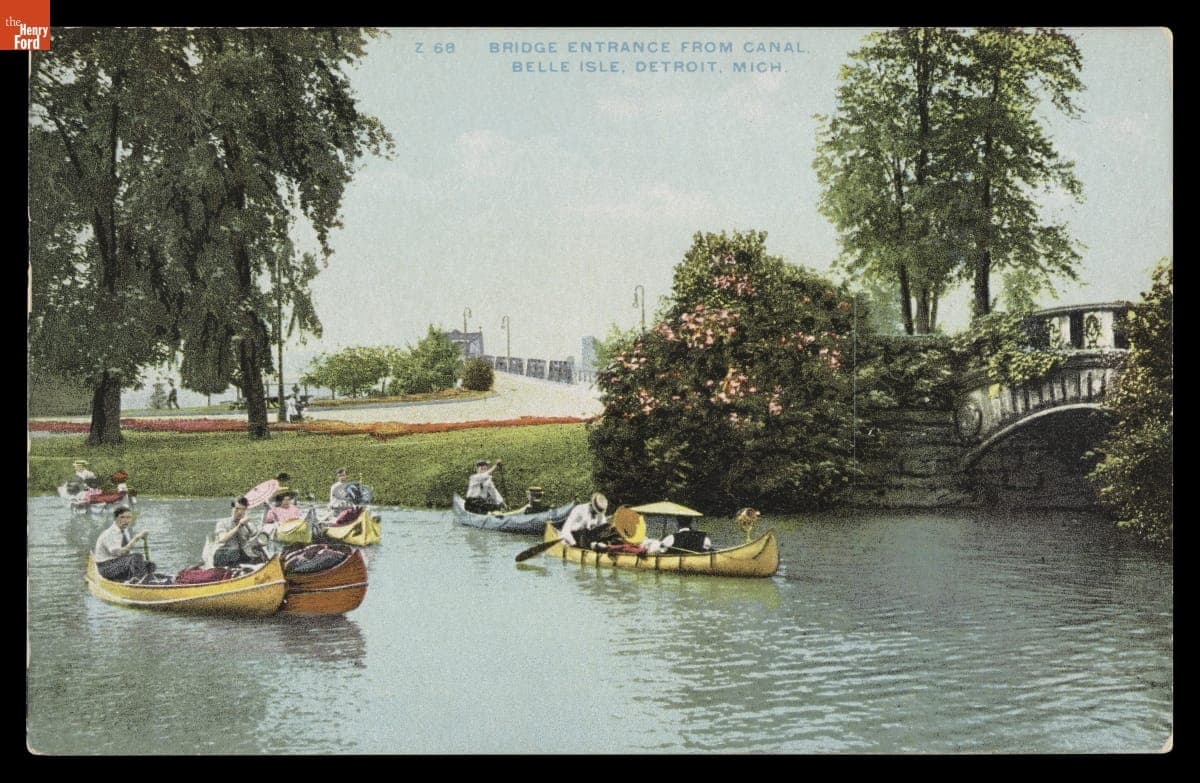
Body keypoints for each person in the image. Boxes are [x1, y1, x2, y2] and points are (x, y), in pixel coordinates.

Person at [93, 506, 153, 580]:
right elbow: (120, 553)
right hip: (105, 567)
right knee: (137, 556)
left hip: (118, 564)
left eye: (128, 518)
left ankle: (136, 579)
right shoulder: (109, 534)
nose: (126, 520)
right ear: (115, 518)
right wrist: (136, 538)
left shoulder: (125, 531)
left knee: (150, 565)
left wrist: (142, 565)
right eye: (122, 517)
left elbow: (127, 554)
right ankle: (141, 582)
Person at [211, 497, 269, 567]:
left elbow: (255, 537)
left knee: (260, 557)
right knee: (236, 553)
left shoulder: (247, 523)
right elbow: (222, 539)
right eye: (237, 509)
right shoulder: (222, 522)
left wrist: (247, 525)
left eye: (243, 509)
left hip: (240, 554)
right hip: (224, 554)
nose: (240, 512)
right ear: (232, 509)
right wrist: (239, 526)